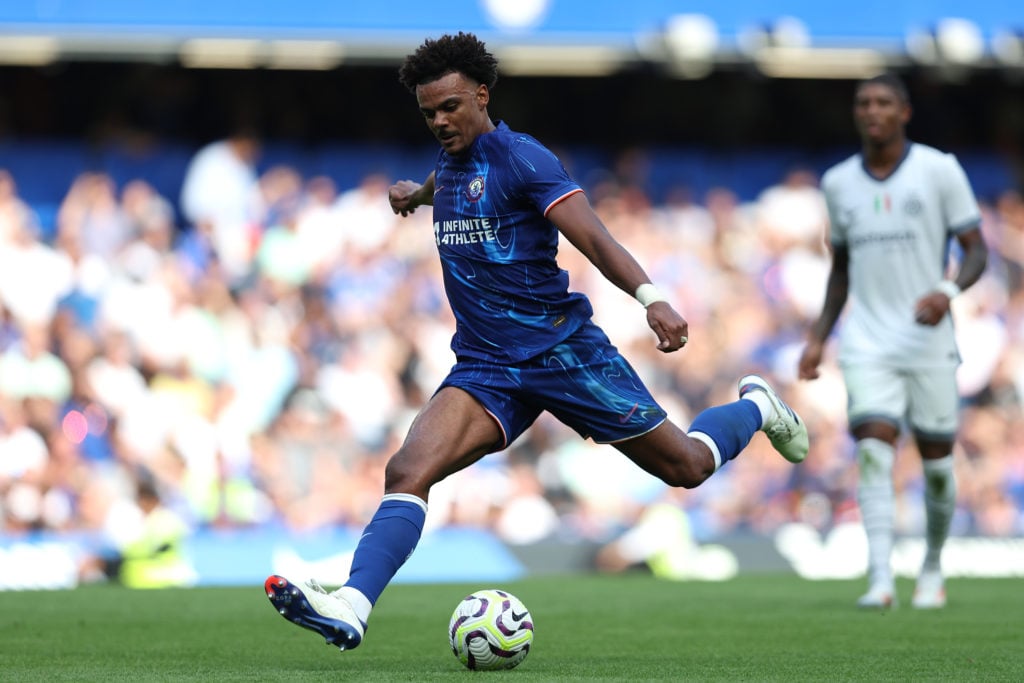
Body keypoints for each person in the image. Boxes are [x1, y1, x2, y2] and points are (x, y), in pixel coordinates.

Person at [264, 32, 808, 652]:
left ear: (481, 95)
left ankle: (757, 407)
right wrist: (412, 195)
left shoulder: (524, 158)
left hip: (563, 352)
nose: (440, 121)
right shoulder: (450, 164)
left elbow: (596, 240)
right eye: (428, 113)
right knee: (408, 468)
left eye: (450, 108)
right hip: (488, 365)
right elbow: (447, 186)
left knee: (687, 466)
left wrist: (652, 298)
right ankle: (354, 607)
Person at [797, 73, 987, 610]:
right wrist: (818, 338)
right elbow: (842, 269)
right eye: (863, 103)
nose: (872, 111)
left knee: (938, 469)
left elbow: (977, 251)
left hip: (929, 341)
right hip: (867, 341)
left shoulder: (939, 170)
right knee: (875, 453)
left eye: (883, 102)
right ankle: (880, 578)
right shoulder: (838, 182)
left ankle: (931, 566)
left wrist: (947, 290)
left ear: (904, 112)